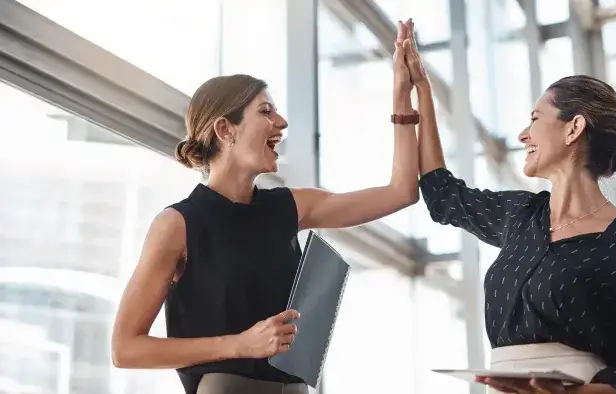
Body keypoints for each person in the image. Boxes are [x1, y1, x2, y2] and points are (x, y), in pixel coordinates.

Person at [111, 21, 420, 394]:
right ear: (226, 130)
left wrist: (402, 95)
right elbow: (125, 348)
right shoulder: (177, 225)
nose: (282, 122)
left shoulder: (289, 206)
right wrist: (239, 344)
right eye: (266, 112)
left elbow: (401, 192)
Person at [399, 21, 616, 394]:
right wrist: (421, 89)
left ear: (573, 128)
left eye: (535, 119)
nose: (522, 134)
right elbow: (441, 195)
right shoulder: (520, 216)